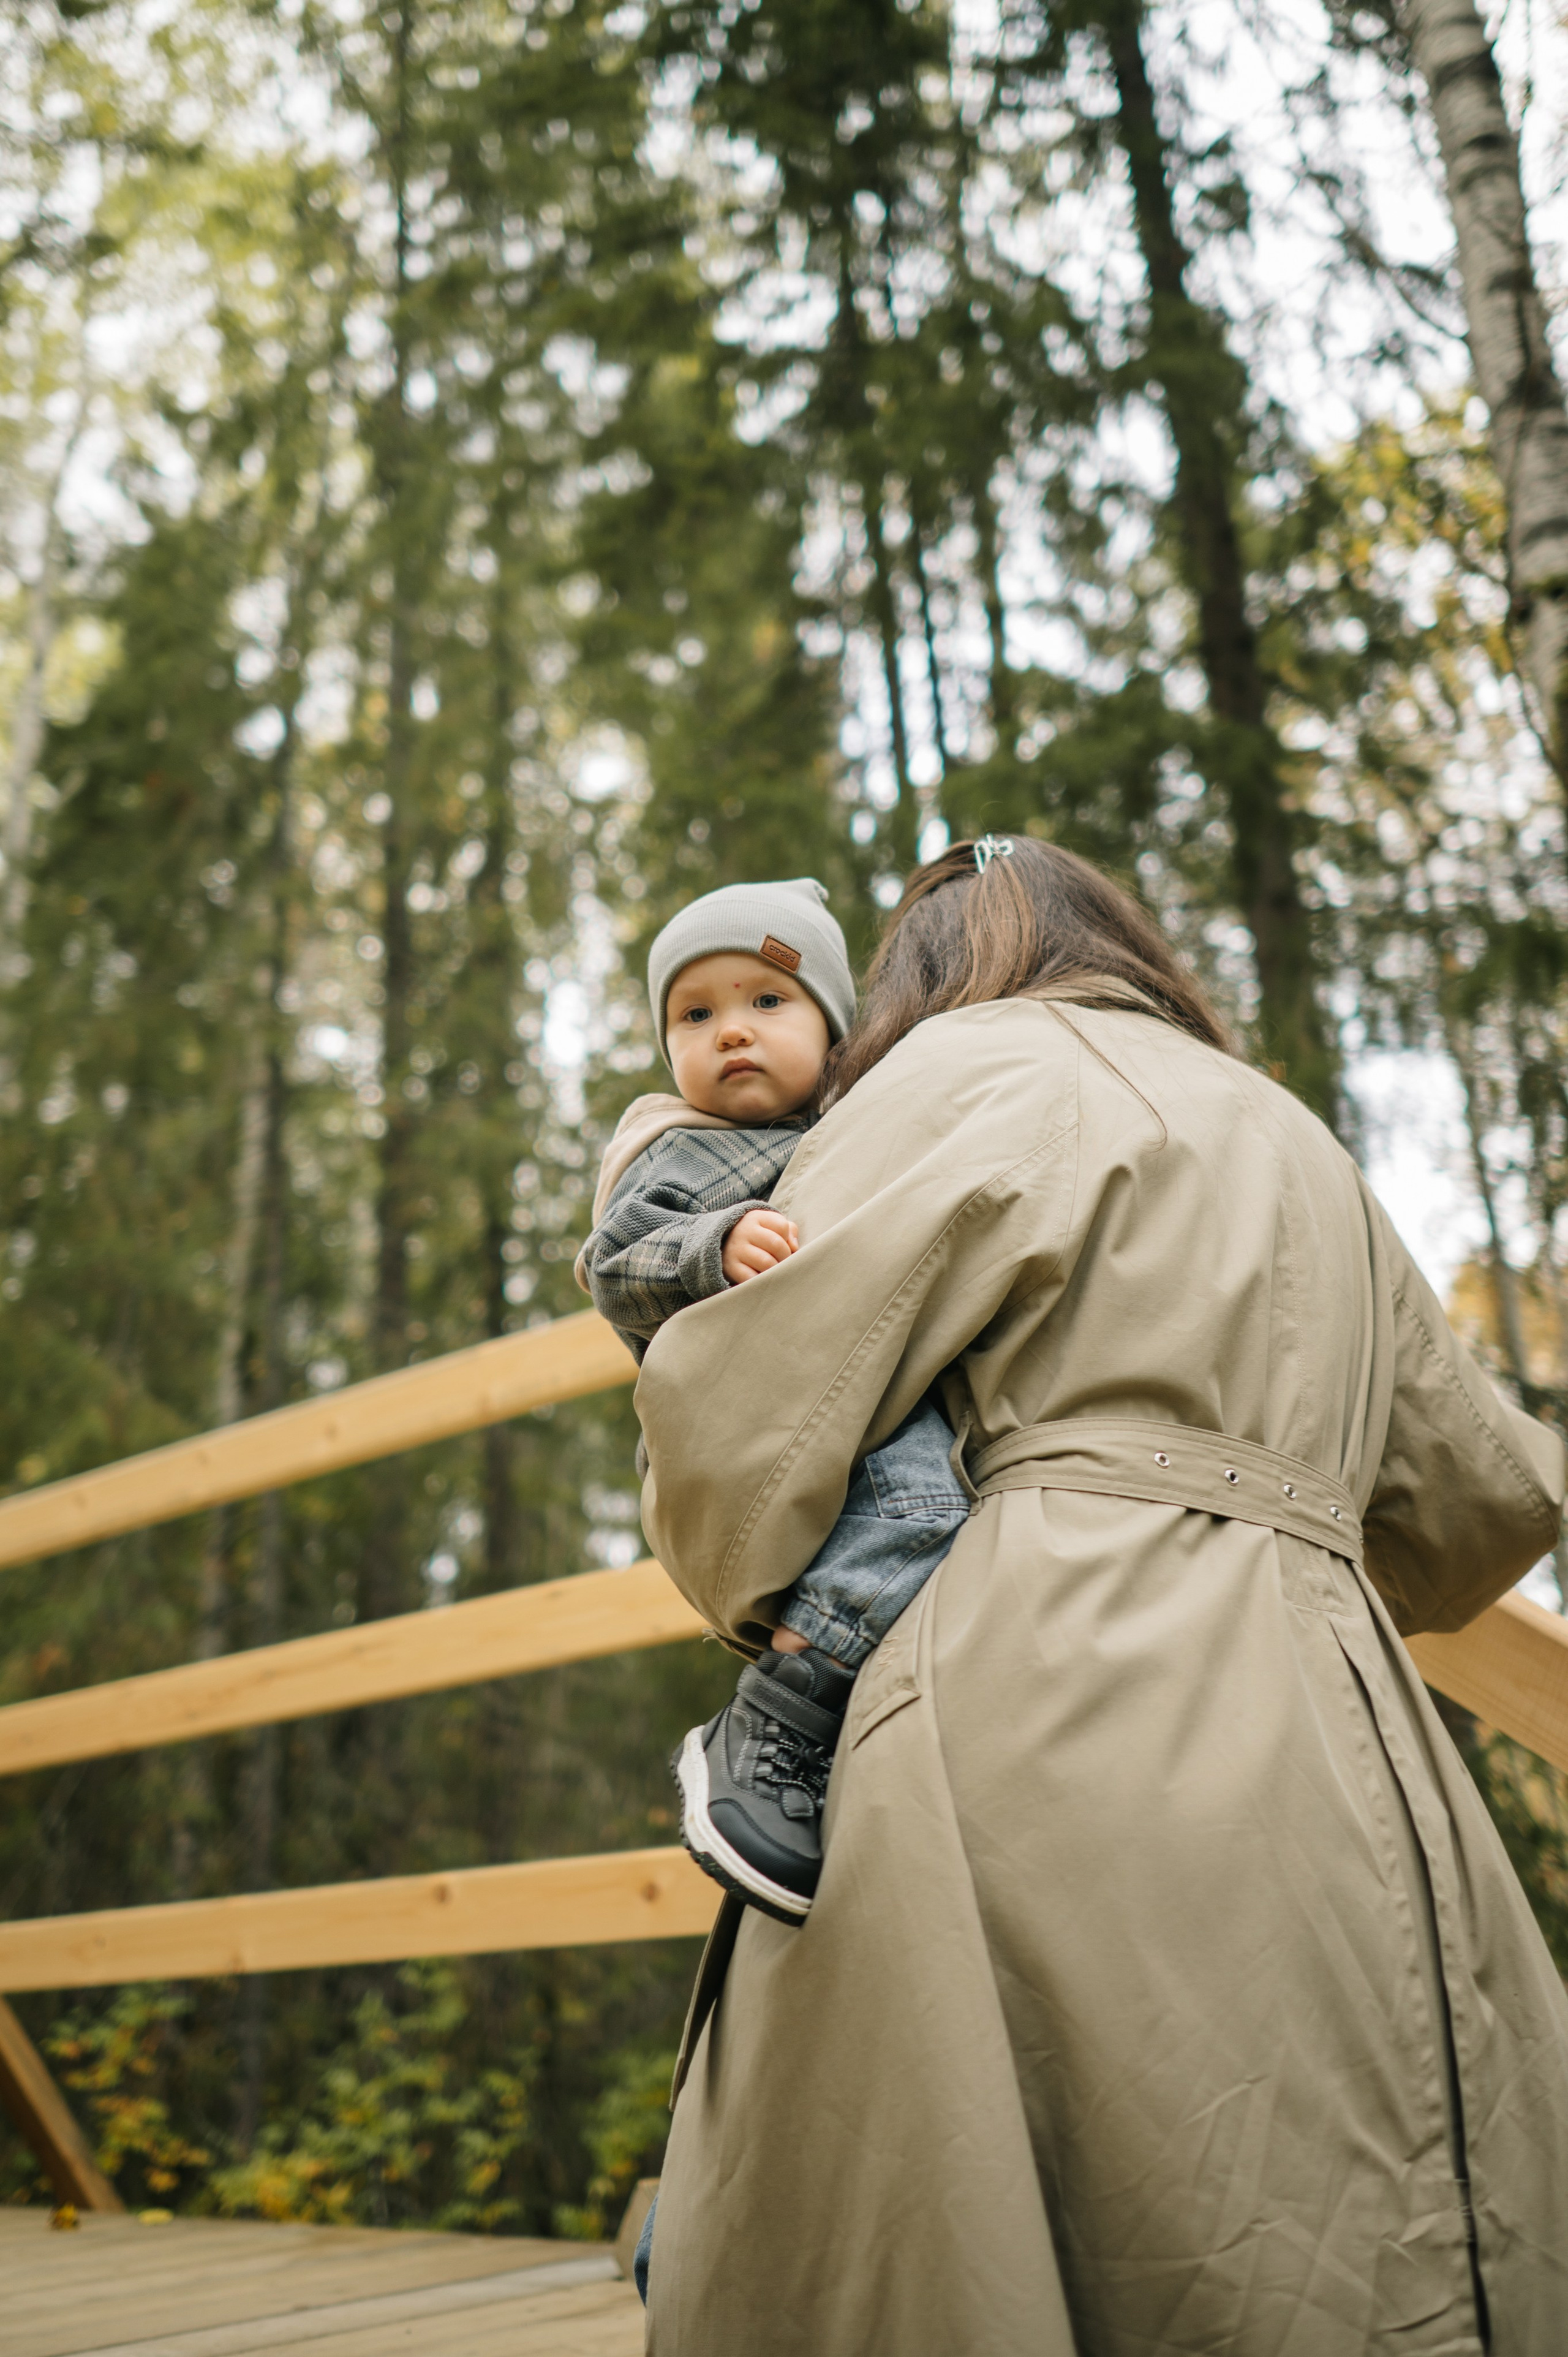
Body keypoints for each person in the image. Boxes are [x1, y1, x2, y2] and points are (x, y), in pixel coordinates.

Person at [633, 837, 1568, 2354]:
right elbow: (1480, 1505)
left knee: (969, 2218)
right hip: (1334, 1718)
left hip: (1013, 1690)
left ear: (914, 977)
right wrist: (1285, 1541)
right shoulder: (1289, 1133)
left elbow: (740, 1443)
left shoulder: (940, 1078)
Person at [575, 875, 968, 1924]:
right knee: (921, 1510)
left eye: (767, 1002)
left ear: (835, 1027)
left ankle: (840, 1746)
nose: (731, 1033)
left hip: (856, 1384)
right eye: (695, 1015)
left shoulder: (863, 1125)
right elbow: (612, 1269)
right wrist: (712, 1245)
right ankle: (778, 1723)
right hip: (753, 1403)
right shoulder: (672, 1148)